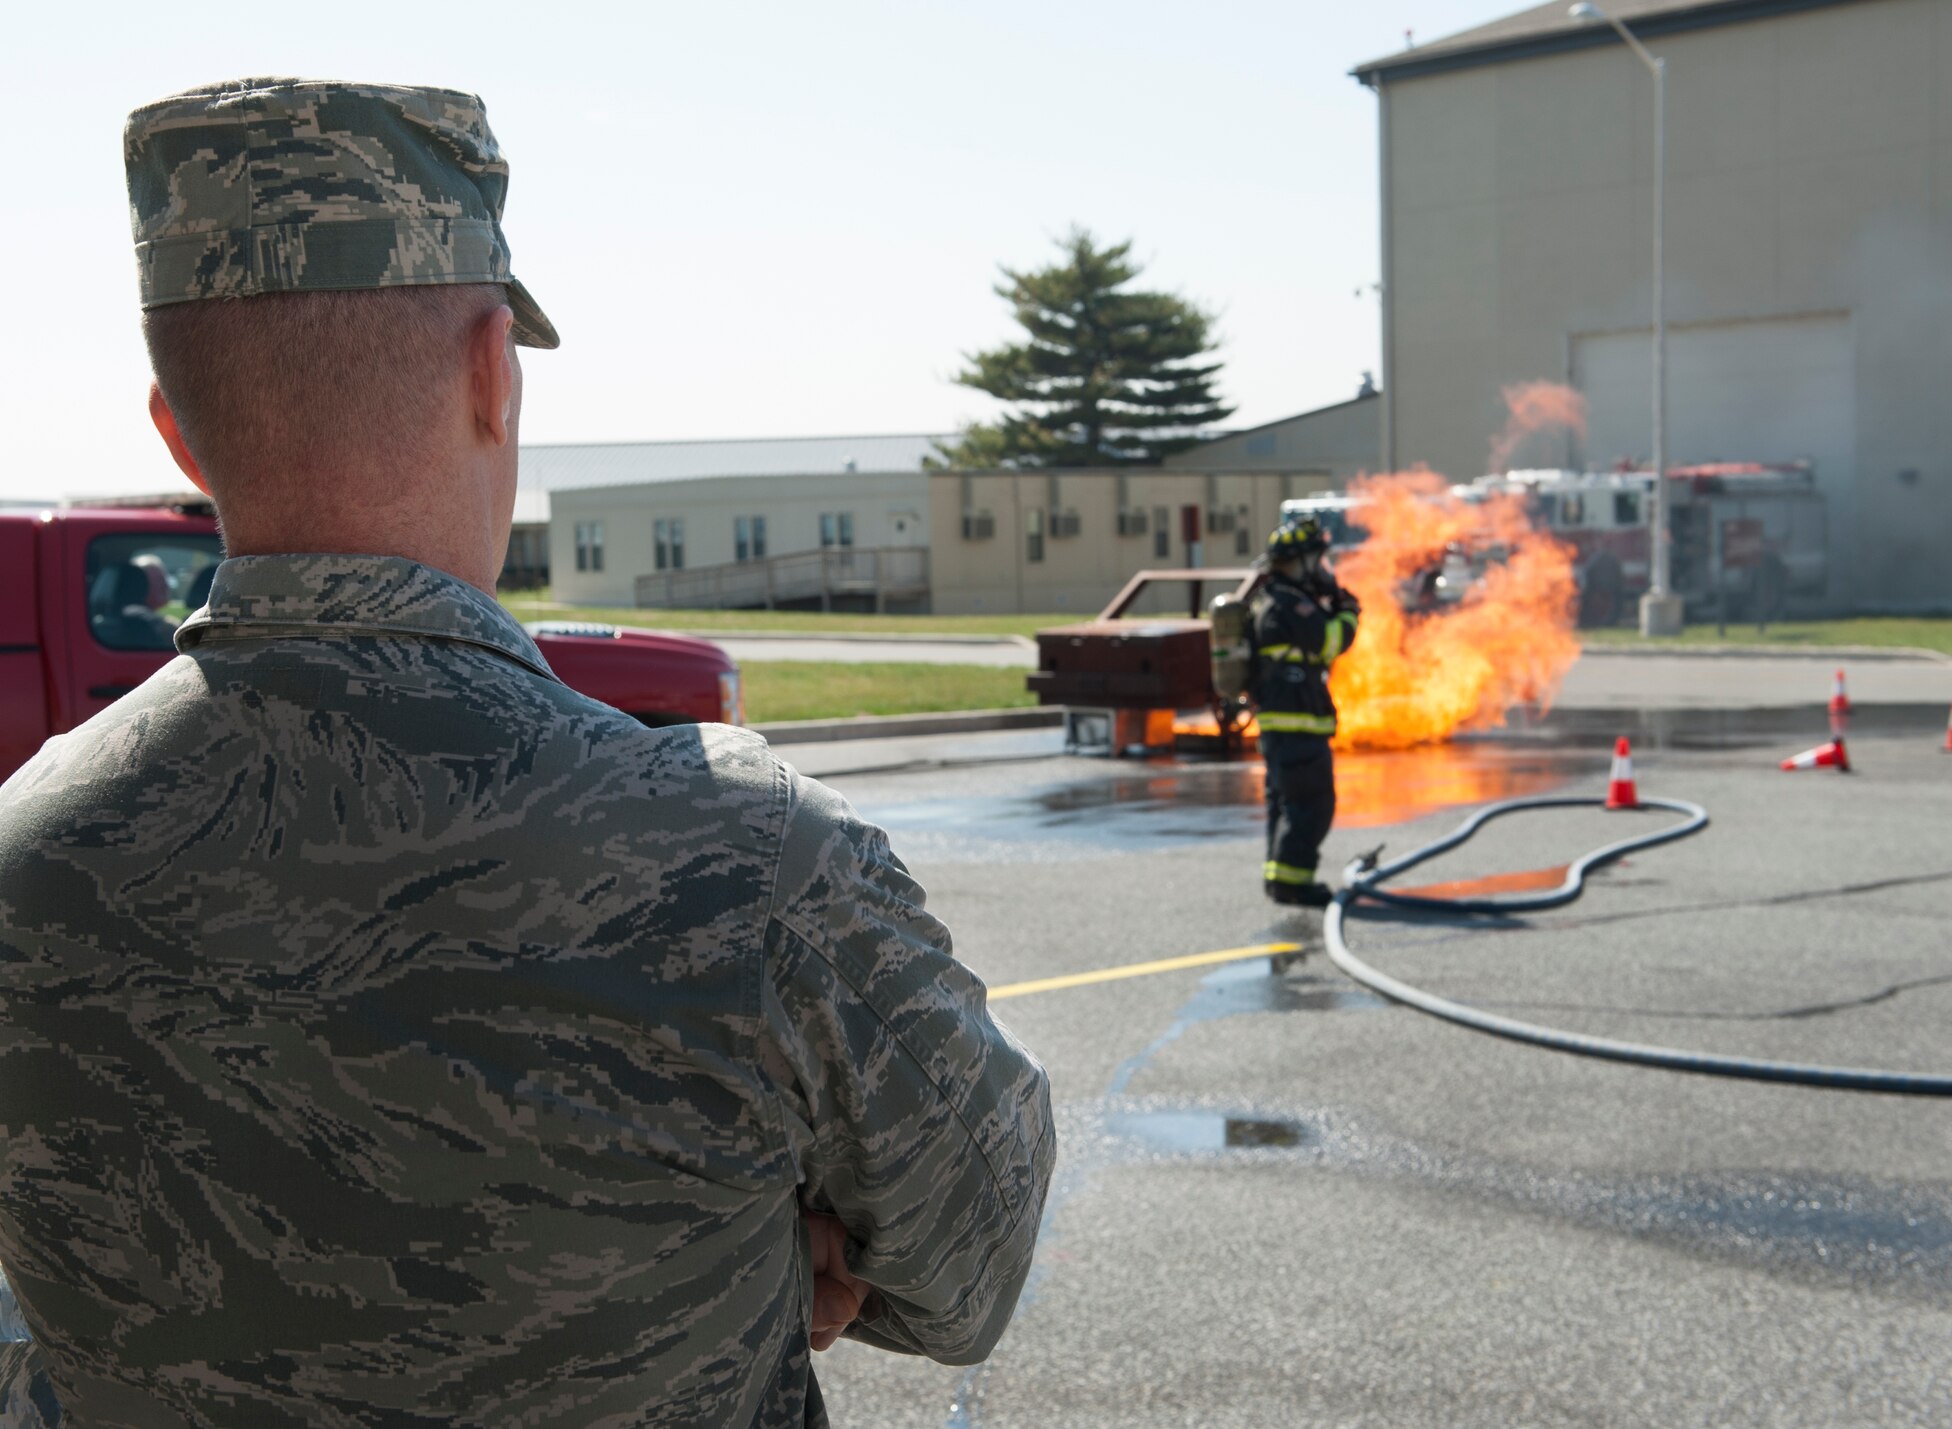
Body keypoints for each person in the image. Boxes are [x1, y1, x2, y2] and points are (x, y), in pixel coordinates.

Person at [0, 78, 1053, 1427]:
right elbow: (974, 1274)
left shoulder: (26, 859)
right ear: (491, 370)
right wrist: (759, 1261)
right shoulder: (752, 862)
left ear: (173, 427)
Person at [1251, 515, 1361, 909]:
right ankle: (1294, 884)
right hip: (1298, 725)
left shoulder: (1274, 600)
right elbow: (1331, 642)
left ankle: (1280, 879)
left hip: (1282, 726)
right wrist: (1348, 611)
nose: (1322, 569)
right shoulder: (1292, 606)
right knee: (1312, 805)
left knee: (1286, 806)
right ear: (1299, 562)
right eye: (1317, 560)